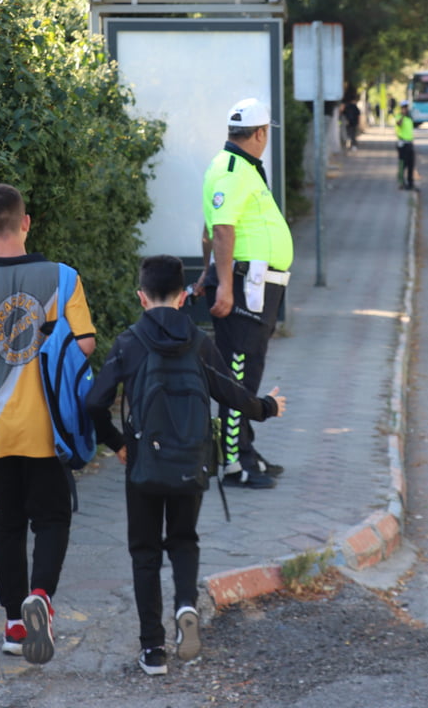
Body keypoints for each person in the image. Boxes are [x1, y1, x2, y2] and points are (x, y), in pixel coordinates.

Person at [87, 255, 287, 676]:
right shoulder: (199, 341)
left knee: (144, 552)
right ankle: (185, 606)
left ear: (141, 297)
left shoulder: (128, 342)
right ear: (183, 297)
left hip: (142, 463)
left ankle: (152, 651)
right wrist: (268, 407)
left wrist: (116, 444)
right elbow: (232, 393)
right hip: (191, 461)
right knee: (183, 540)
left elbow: (93, 403)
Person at [0, 183, 96, 664]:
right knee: (52, 518)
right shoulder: (64, 278)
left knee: (8, 522)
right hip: (49, 427)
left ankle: (14, 623)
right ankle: (42, 599)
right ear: (26, 222)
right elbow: (87, 344)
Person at [191, 97, 293, 489]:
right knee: (238, 374)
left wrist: (207, 275)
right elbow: (221, 231)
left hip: (255, 284)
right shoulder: (233, 170)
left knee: (247, 371)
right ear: (261, 133)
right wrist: (225, 288)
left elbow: (209, 229)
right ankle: (233, 462)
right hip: (247, 286)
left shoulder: (238, 168)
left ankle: (244, 450)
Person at [395, 100, 416, 190]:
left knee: (411, 164)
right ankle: (401, 182)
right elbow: (398, 124)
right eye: (403, 108)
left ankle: (410, 183)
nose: (405, 109)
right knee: (402, 164)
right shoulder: (399, 117)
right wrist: (402, 116)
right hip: (402, 144)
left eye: (406, 108)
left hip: (409, 143)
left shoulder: (409, 118)